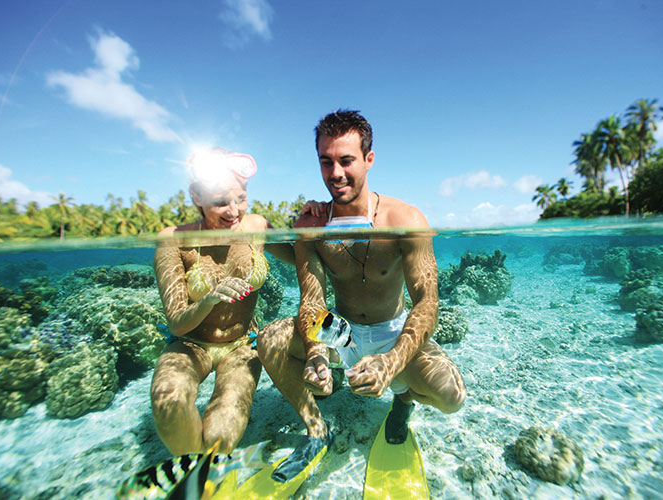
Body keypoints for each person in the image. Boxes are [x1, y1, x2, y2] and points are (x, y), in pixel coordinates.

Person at [257, 110, 466, 482]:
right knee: (270, 339)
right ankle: (317, 429)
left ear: (369, 160)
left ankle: (401, 401)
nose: (335, 173)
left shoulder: (406, 218)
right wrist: (317, 352)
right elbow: (312, 299)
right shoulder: (311, 225)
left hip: (393, 329)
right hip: (339, 329)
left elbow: (427, 301)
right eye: (326, 161)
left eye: (346, 160)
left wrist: (392, 361)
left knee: (451, 396)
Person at [151, 147, 320, 455]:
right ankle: (192, 472)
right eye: (220, 202)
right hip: (190, 344)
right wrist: (208, 301)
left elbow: (302, 257)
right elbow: (176, 322)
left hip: (242, 344)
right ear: (196, 197)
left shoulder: (256, 227)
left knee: (221, 439)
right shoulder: (174, 239)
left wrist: (310, 221)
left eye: (241, 198)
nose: (233, 210)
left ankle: (207, 465)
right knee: (169, 401)